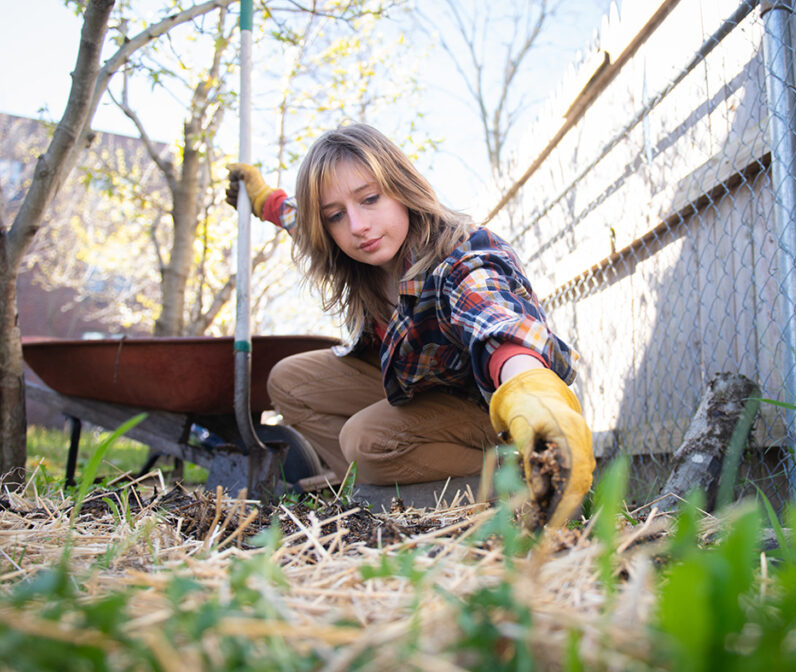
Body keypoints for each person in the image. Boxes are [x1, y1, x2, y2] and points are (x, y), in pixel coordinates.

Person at [227, 123, 594, 525]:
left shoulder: (458, 255)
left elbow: (497, 324)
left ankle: (517, 486)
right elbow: (306, 223)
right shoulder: (360, 254)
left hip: (483, 413)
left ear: (401, 187)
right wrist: (266, 202)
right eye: (336, 215)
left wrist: (535, 404)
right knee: (289, 380)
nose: (357, 226)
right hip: (420, 395)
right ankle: (374, 494)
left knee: (365, 440)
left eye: (369, 199)